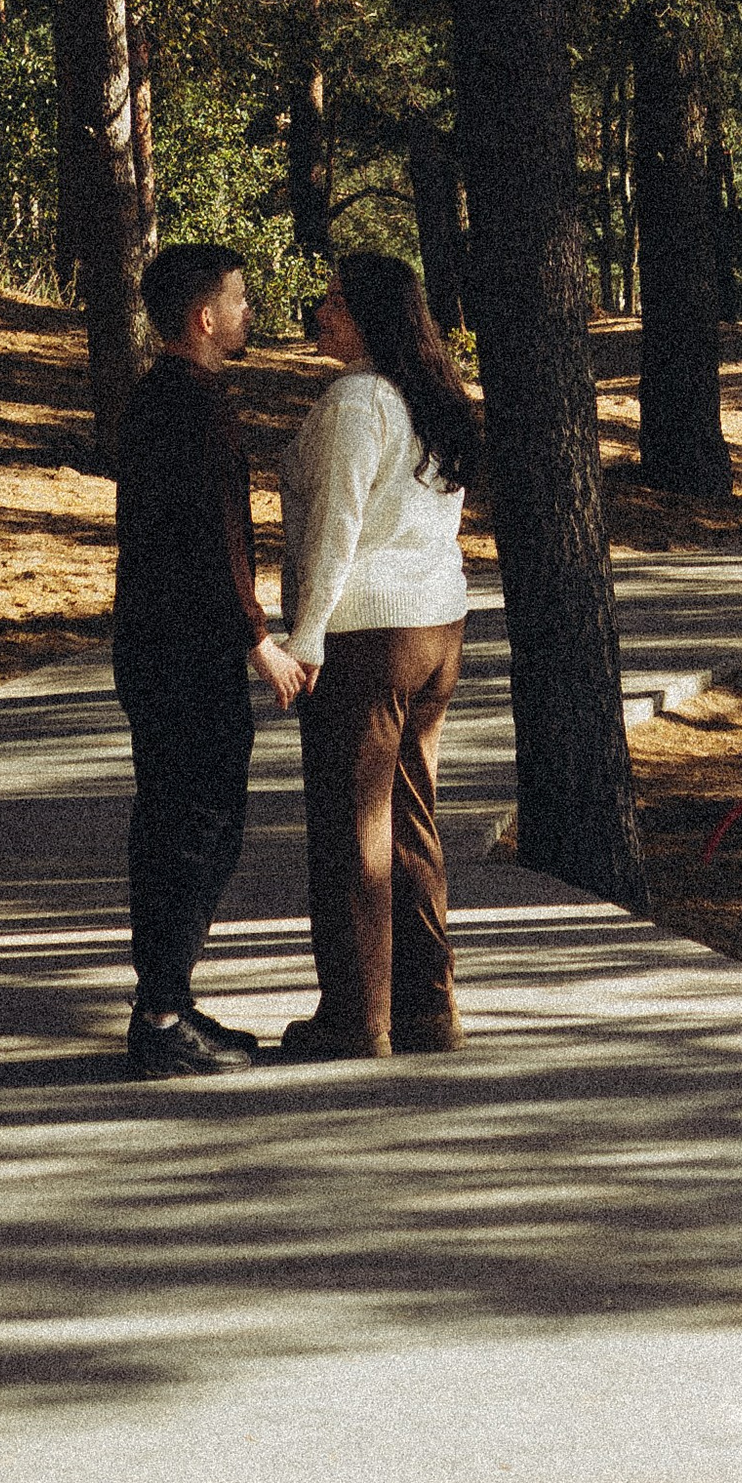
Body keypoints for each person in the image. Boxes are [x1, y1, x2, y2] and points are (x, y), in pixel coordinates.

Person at [278, 249, 482, 1059]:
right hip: (438, 628)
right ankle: (430, 1007)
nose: (319, 312)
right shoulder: (432, 397)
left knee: (350, 826)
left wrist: (305, 636)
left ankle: (356, 1020)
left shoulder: (358, 400)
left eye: (334, 301)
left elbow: (337, 530)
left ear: (371, 319)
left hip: (366, 636)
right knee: (411, 821)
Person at [111, 242, 308, 1080]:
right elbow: (216, 543)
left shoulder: (156, 399)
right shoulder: (198, 410)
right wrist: (257, 640)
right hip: (186, 659)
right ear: (201, 318)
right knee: (197, 832)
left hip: (155, 649)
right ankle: (160, 1018)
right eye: (238, 300)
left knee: (174, 826)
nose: (248, 312)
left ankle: (167, 1000)